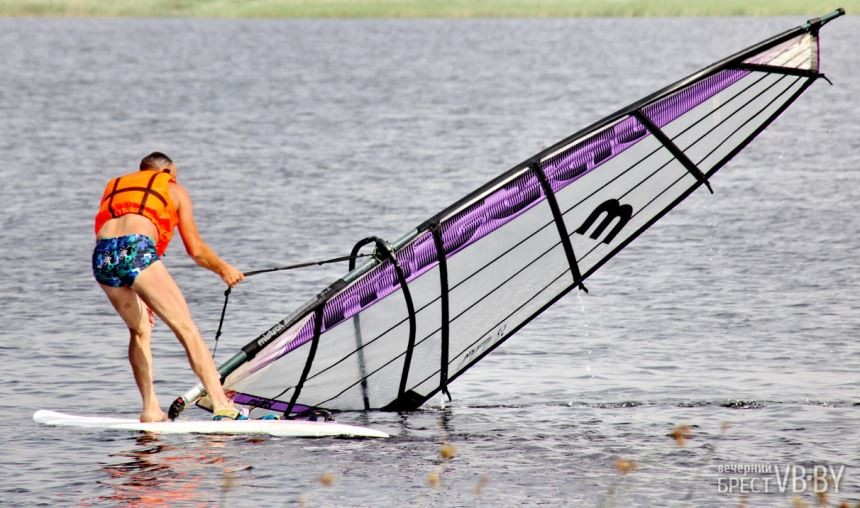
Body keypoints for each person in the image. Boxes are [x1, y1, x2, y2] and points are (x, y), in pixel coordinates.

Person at [93, 152, 246, 422]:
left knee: (139, 331)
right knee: (186, 329)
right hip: (135, 250)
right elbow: (196, 250)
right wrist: (225, 270)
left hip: (103, 256)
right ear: (168, 172)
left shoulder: (115, 185)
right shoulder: (173, 188)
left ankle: (150, 409)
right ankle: (222, 403)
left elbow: (112, 234)